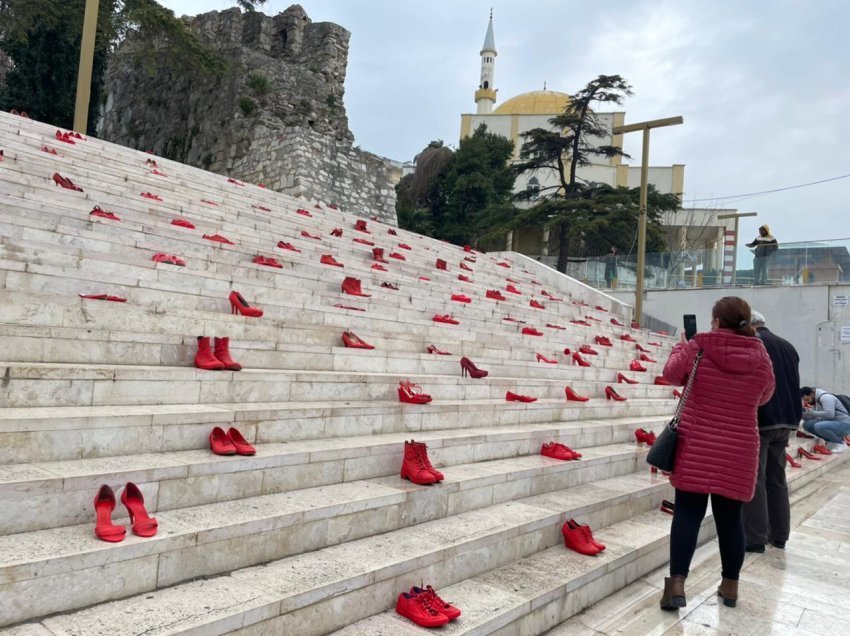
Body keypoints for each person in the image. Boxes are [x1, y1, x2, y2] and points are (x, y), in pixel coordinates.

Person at [658, 296, 775, 612]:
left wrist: (680, 347)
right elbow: (765, 396)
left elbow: (671, 375)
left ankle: (677, 586)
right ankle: (731, 586)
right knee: (730, 520)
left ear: (717, 322)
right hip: (738, 450)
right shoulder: (760, 356)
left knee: (687, 514)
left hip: (696, 445)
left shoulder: (698, 347)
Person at [742, 311, 802, 554]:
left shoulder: (755, 344)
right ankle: (779, 535)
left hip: (764, 418)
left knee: (756, 478)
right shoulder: (788, 346)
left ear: (749, 324)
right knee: (777, 479)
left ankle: (755, 536)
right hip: (787, 420)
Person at [800, 387, 850, 453]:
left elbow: (830, 414)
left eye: (807, 399)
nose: (807, 402)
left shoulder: (826, 397)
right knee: (807, 425)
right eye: (805, 400)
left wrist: (811, 413)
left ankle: (840, 443)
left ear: (812, 394)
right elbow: (816, 417)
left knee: (819, 426)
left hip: (845, 425)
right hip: (834, 423)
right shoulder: (817, 401)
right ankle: (831, 441)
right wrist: (803, 415)